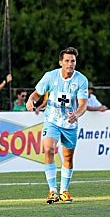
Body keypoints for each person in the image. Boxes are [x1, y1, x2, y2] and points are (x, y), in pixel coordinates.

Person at [26, 47, 88, 204]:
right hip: (52, 120)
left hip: (70, 123)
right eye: (66, 61)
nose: (70, 64)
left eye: (72, 61)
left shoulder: (81, 80)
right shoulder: (50, 76)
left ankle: (64, 191)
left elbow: (82, 104)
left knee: (68, 156)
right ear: (61, 62)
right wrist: (31, 100)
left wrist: (77, 114)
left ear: (75, 63)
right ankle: (52, 191)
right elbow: (36, 94)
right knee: (49, 149)